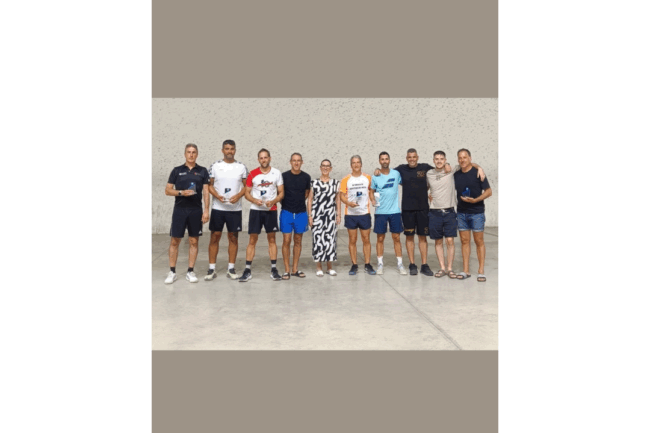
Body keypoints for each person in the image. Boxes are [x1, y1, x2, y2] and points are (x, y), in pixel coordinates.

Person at [427, 150, 486, 279]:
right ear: (433, 160)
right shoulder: (429, 173)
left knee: (450, 241)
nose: (439, 161)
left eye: (441, 159)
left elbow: (467, 164)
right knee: (438, 241)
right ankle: (442, 268)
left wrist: (479, 168)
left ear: (445, 160)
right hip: (434, 212)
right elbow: (424, 188)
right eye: (436, 159)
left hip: (449, 211)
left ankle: (450, 269)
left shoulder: (452, 170)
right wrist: (427, 195)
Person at [376, 149, 435, 276]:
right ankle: (412, 264)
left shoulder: (425, 168)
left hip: (423, 208)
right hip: (407, 209)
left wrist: (431, 190)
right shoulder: (400, 170)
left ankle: (424, 265)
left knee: (422, 237)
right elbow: (386, 171)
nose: (412, 159)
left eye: (414, 157)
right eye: (409, 157)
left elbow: (439, 171)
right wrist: (377, 170)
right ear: (406, 158)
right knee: (409, 237)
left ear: (417, 157)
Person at [164, 143, 210, 284]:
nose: (191, 154)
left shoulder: (202, 171)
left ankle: (190, 271)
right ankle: (172, 272)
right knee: (175, 240)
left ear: (197, 154)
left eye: (193, 152)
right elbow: (167, 190)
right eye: (189, 152)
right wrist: (181, 193)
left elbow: (206, 192)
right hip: (180, 210)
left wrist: (206, 210)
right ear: (185, 154)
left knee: (194, 241)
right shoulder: (177, 170)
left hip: (196, 211)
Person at [204, 139, 248, 281]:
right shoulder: (215, 166)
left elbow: (247, 186)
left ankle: (231, 268)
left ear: (235, 150)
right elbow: (209, 185)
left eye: (232, 149)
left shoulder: (241, 167)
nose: (229, 151)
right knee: (214, 237)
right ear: (222, 150)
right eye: (227, 149)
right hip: (218, 208)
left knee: (233, 238)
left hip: (235, 210)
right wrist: (217, 196)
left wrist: (238, 196)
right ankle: (211, 269)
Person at [239, 148, 284, 282]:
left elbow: (281, 193)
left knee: (272, 240)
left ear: (269, 158)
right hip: (256, 211)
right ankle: (247, 270)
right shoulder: (252, 174)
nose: (264, 160)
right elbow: (246, 193)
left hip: (271, 210)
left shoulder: (276, 173)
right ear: (258, 160)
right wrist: (254, 200)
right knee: (252, 240)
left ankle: (274, 269)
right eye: (261, 158)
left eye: (266, 157)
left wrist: (274, 201)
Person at [454, 148, 492, 282]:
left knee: (479, 241)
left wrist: (476, 200)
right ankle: (466, 270)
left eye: (465, 157)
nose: (462, 160)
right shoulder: (456, 174)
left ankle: (481, 271)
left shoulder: (478, 173)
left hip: (477, 213)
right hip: (461, 213)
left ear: (470, 158)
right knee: (464, 242)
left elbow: (489, 191)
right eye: (460, 158)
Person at [369, 152, 408, 275]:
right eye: (382, 159)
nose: (384, 161)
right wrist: (372, 200)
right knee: (380, 238)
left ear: (389, 160)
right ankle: (380, 264)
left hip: (395, 212)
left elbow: (406, 182)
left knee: (396, 238)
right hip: (380, 212)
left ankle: (400, 264)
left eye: (386, 159)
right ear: (379, 161)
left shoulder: (396, 174)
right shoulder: (375, 176)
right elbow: (371, 191)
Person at [339, 155, 376, 276]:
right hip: (351, 215)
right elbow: (341, 196)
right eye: (354, 163)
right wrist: (348, 203)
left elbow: (372, 191)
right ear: (351, 165)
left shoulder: (368, 178)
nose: (356, 165)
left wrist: (374, 200)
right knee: (352, 240)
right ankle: (354, 265)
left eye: (358, 162)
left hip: (364, 214)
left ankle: (367, 264)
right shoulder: (346, 179)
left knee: (366, 239)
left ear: (361, 164)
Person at [279, 153, 312, 279]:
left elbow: (306, 194)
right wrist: (288, 204)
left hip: (301, 213)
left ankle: (295, 269)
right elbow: (280, 194)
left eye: (298, 161)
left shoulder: (306, 177)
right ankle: (286, 270)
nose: (296, 163)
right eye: (294, 160)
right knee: (286, 240)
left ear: (302, 162)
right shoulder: (283, 176)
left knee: (298, 241)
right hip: (286, 212)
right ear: (290, 162)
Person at [307, 159, 341, 276]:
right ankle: (319, 267)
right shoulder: (314, 183)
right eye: (323, 166)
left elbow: (338, 200)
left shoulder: (336, 183)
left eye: (327, 166)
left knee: (330, 241)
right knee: (318, 241)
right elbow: (310, 200)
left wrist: (338, 215)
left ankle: (329, 267)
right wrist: (310, 216)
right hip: (317, 216)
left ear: (330, 168)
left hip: (330, 216)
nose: (325, 168)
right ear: (320, 168)